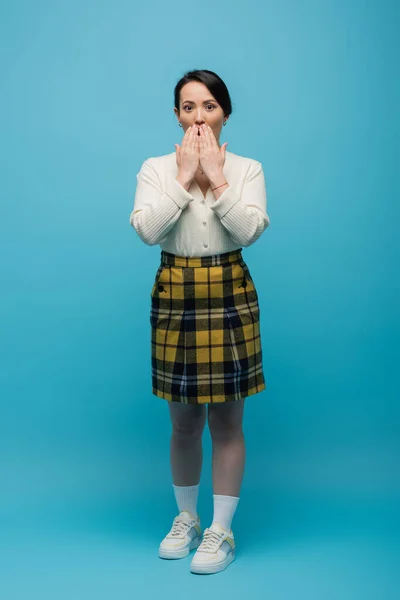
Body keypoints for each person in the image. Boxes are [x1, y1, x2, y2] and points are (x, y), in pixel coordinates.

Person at [130, 69, 270, 575]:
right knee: (184, 422)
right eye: (188, 107)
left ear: (224, 113)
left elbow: (250, 229)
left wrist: (218, 177)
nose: (198, 117)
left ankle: (221, 530)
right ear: (176, 115)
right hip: (176, 292)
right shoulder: (155, 167)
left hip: (229, 291)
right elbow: (147, 230)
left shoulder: (248, 168)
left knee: (228, 421)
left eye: (208, 106)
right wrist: (185, 177)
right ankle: (186, 518)